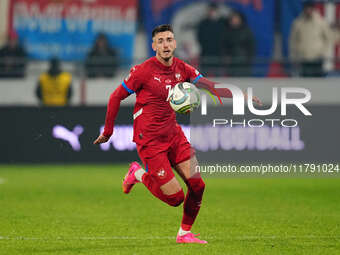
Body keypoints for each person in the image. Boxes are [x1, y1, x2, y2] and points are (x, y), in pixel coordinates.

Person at [93, 24, 261, 243]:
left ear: (175, 43)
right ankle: (138, 174)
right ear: (153, 45)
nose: (165, 44)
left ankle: (184, 234)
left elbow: (211, 87)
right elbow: (116, 97)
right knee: (175, 198)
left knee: (198, 185)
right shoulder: (143, 71)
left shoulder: (183, 69)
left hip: (173, 136)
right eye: (160, 41)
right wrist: (108, 131)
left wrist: (242, 95)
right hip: (150, 140)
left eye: (169, 39)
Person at [289, 2, 333, 77]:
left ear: (313, 9)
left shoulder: (321, 22)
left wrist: (324, 53)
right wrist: (294, 57)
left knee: (318, 83)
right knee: (306, 83)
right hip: (303, 59)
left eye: (310, 8)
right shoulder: (298, 23)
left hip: (317, 59)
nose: (308, 10)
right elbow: (293, 42)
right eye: (306, 8)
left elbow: (328, 39)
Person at [222, 11, 255, 76]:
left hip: (244, 62)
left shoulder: (246, 31)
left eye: (236, 18)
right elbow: (224, 46)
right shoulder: (227, 31)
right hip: (231, 62)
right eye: (233, 19)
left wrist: (249, 59)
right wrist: (225, 56)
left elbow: (251, 46)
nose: (235, 20)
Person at [197, 3, 225, 76]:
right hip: (206, 52)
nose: (212, 12)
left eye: (213, 10)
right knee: (204, 75)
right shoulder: (203, 23)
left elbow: (225, 38)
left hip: (219, 53)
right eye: (210, 10)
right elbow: (200, 37)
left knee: (218, 76)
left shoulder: (223, 23)